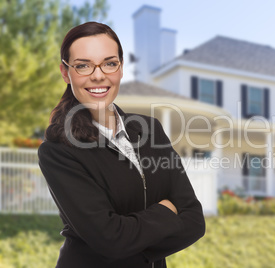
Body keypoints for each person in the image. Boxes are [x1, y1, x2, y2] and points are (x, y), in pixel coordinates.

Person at [38, 21, 205, 268]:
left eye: (109, 63)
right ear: (66, 73)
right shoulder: (58, 151)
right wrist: (167, 212)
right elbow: (110, 240)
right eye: (83, 65)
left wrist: (128, 242)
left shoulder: (151, 131)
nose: (98, 75)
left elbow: (194, 221)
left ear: (121, 68)